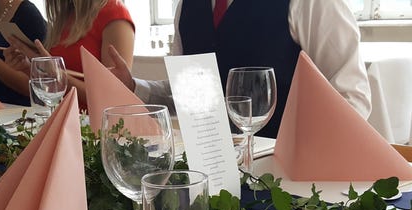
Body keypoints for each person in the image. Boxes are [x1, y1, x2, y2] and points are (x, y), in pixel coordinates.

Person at [109, 0, 372, 139]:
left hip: (286, 188)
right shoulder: (187, 7)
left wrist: (304, 156)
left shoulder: (311, 3)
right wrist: (135, 87)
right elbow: (191, 94)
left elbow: (352, 99)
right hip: (211, 183)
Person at [4, 0, 135, 109]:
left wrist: (57, 74)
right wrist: (29, 68)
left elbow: (113, 97)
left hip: (93, 126)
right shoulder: (66, 17)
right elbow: (55, 87)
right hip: (64, 120)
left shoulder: (114, 13)